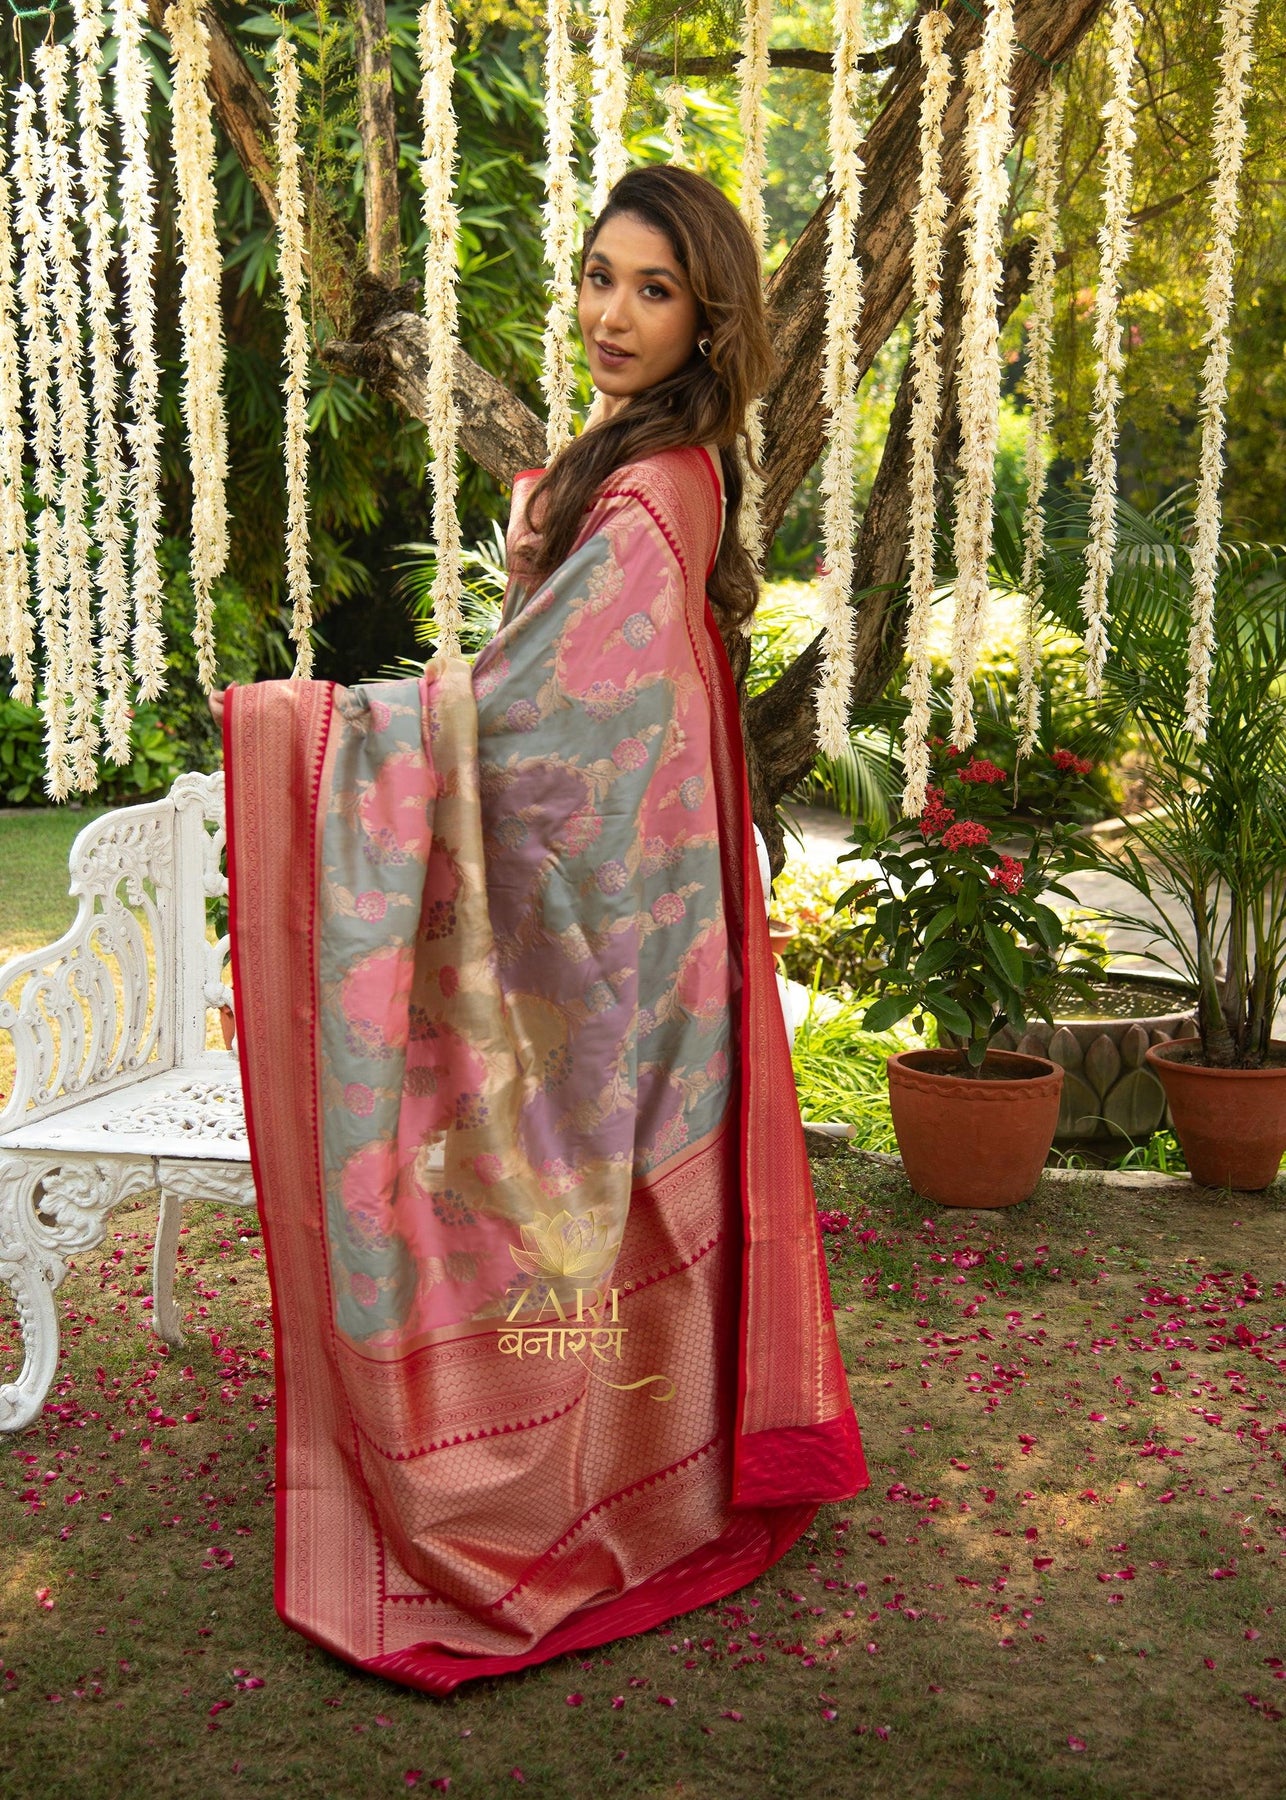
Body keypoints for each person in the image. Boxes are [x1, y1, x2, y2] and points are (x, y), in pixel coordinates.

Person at [214, 164, 866, 1696]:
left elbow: (548, 715)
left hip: (625, 918)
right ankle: (630, 1467)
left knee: (579, 1177)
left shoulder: (656, 490)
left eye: (654, 289)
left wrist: (312, 731)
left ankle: (592, 1493)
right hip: (637, 899)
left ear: (707, 318)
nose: (612, 314)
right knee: (584, 1186)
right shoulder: (626, 461)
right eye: (598, 277)